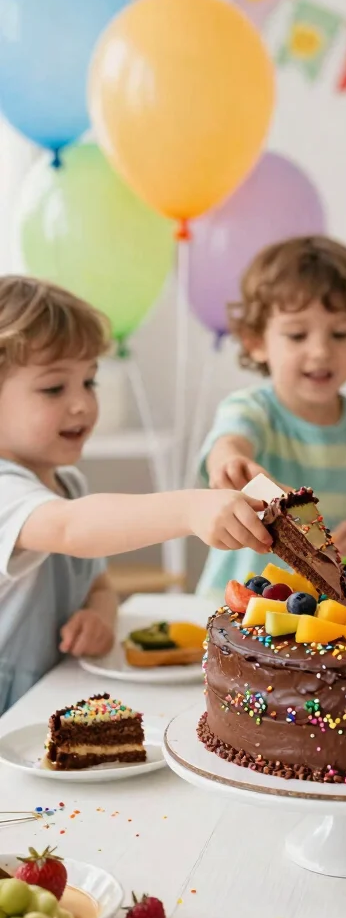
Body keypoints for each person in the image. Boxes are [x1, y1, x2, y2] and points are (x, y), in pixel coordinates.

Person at [0, 275, 272, 714]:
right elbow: (70, 528)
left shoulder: (70, 486)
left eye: (89, 382)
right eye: (54, 388)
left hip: (44, 698)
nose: (82, 404)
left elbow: (100, 586)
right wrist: (189, 508)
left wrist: (100, 616)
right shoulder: (8, 494)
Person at [197, 235, 346, 599]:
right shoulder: (252, 409)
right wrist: (230, 461)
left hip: (332, 613)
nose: (321, 351)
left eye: (340, 333)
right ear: (256, 342)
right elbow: (229, 444)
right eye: (297, 334)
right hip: (243, 610)